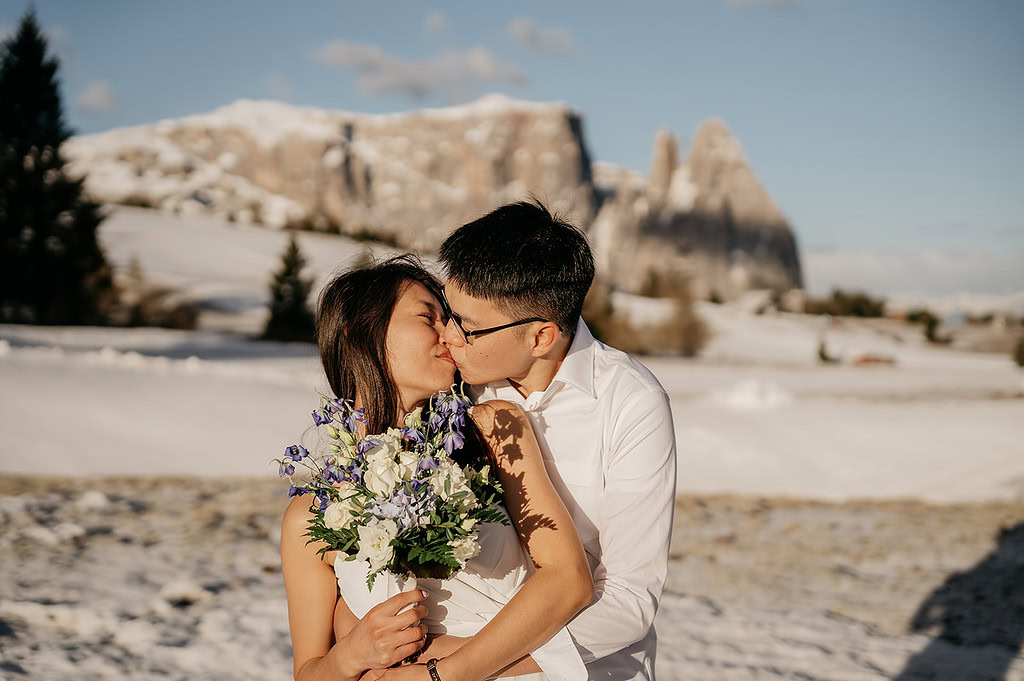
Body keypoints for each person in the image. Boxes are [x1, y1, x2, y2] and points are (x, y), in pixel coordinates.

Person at [280, 256, 594, 681]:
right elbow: (310, 673)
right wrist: (350, 656)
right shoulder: (312, 515)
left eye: (450, 318)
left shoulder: (495, 430)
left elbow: (568, 582)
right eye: (429, 316)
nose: (451, 332)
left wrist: (434, 668)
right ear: (360, 331)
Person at [432, 201, 677, 681]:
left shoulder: (631, 402)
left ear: (542, 336)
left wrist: (466, 666)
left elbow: (630, 600)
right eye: (447, 312)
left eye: (468, 327)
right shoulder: (453, 384)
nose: (447, 336)